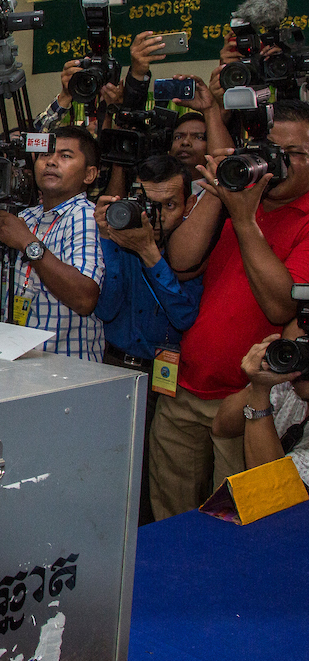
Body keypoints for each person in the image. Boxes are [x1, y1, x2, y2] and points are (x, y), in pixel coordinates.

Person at [149, 100, 309, 519]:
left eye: (293, 154)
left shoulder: (304, 219)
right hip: (184, 385)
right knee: (169, 516)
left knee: (234, 526)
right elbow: (181, 263)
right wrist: (221, 196)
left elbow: (280, 306)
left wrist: (244, 220)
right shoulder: (240, 198)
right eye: (270, 148)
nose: (278, 162)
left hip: (248, 403)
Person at [94, 154, 203, 524]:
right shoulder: (125, 239)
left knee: (154, 482)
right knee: (107, 472)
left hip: (163, 382)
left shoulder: (193, 252)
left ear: (188, 206)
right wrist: (111, 238)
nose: (156, 217)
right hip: (114, 367)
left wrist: (150, 253)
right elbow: (106, 308)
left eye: (169, 206)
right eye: (148, 205)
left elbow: (184, 315)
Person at [0, 126, 105, 360]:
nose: (51, 162)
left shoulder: (86, 215)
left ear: (89, 175)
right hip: (15, 360)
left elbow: (84, 299)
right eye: (45, 155)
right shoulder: (26, 217)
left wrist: (28, 243)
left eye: (65, 156)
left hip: (66, 367)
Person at [213, 325, 309, 486]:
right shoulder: (288, 382)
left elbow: (270, 486)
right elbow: (222, 427)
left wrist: (259, 394)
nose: (300, 362)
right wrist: (258, 381)